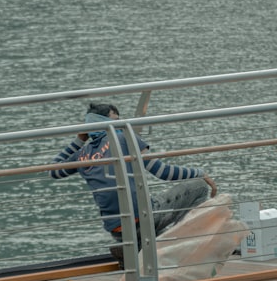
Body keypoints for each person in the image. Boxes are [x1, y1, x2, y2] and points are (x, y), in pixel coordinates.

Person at [51, 103, 216, 266]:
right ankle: (186, 245)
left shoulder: (82, 155)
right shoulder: (124, 137)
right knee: (198, 186)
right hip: (143, 218)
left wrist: (79, 140)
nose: (121, 123)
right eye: (116, 119)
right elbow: (163, 172)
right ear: (105, 121)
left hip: (117, 230)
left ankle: (136, 250)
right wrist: (201, 173)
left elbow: (54, 171)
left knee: (155, 227)